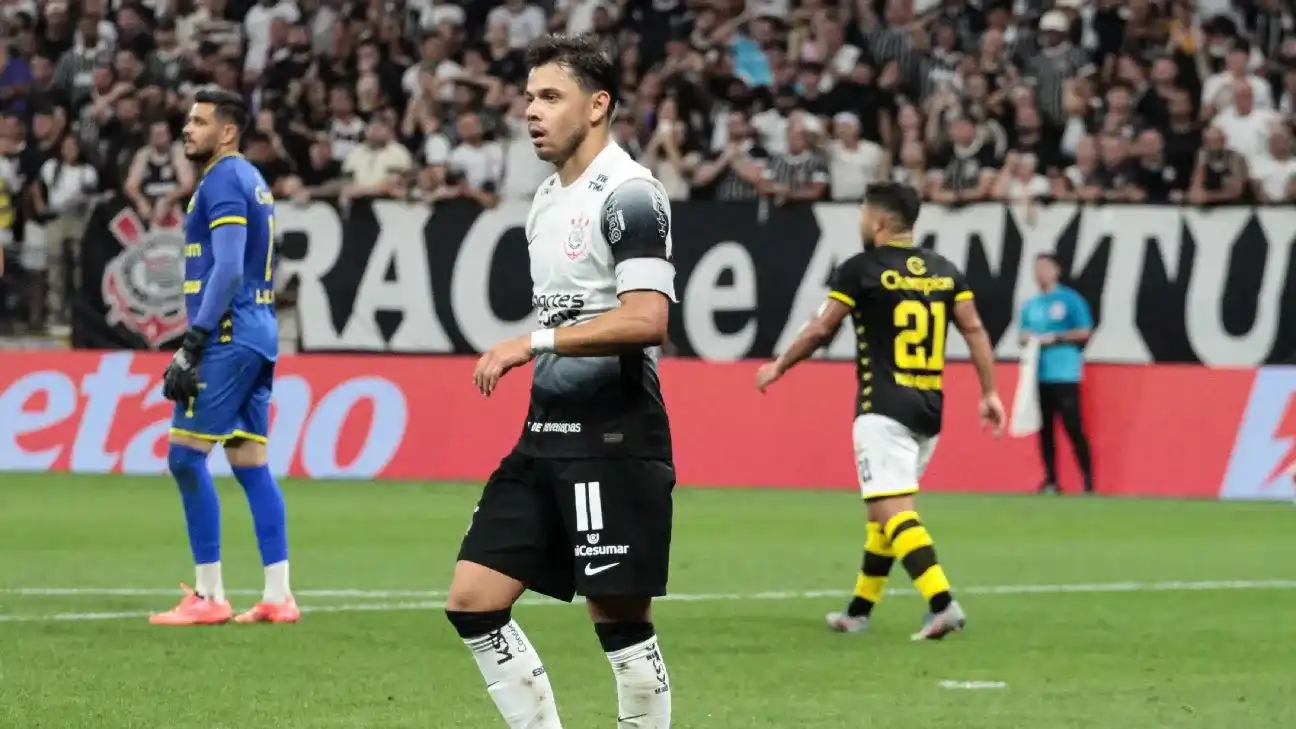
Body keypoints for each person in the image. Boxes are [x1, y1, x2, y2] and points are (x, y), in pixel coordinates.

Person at [448, 34, 678, 729]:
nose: (531, 112)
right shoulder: (547, 199)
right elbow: (574, 307)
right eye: (528, 97)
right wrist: (542, 341)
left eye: (550, 97)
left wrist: (533, 340)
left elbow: (647, 318)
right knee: (472, 597)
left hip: (614, 436)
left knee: (620, 624)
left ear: (598, 105)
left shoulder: (633, 193)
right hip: (544, 434)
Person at [754, 182, 1005, 641]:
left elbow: (822, 329)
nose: (860, 222)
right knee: (882, 517)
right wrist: (990, 392)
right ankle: (859, 611)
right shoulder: (946, 271)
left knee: (893, 512)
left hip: (883, 406)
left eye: (864, 214)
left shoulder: (861, 270)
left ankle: (942, 602)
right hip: (930, 409)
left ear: (881, 222)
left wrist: (780, 365)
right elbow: (975, 331)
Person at [151, 87, 298, 626]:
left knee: (186, 456)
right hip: (257, 331)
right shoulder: (249, 180)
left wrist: (195, 340)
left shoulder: (226, 180)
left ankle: (209, 596)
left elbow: (230, 266)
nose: (187, 129)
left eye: (198, 121)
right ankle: (278, 594)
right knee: (249, 461)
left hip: (229, 335)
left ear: (228, 131)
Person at [1019, 253, 1094, 495]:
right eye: (1036, 268)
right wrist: (1028, 339)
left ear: (1056, 270)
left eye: (1044, 267)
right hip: (1039, 375)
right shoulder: (1031, 304)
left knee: (1073, 426)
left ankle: (1088, 479)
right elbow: (1021, 335)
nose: (1040, 273)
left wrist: (1058, 337)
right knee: (1045, 429)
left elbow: (1084, 331)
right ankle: (1051, 480)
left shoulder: (1070, 300)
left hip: (1065, 373)